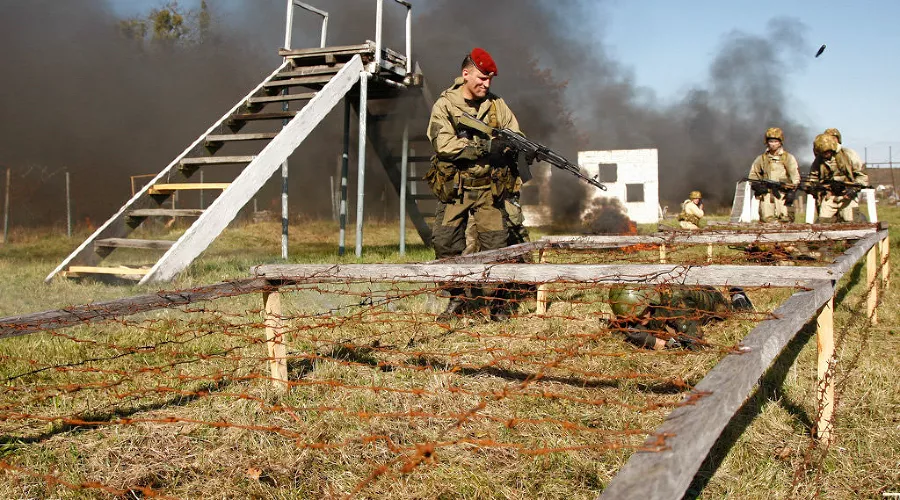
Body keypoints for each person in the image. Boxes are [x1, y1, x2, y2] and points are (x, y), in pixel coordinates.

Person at [426, 47, 521, 321]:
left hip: (488, 189)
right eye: (481, 77)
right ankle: (456, 301)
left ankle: (497, 304)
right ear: (465, 74)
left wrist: (511, 146)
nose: (486, 84)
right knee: (446, 245)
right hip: (456, 189)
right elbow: (443, 144)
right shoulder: (445, 105)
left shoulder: (496, 105)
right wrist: (483, 147)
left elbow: (515, 132)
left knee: (497, 246)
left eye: (490, 79)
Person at [607, 285, 754, 350]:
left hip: (710, 300)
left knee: (736, 312)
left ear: (649, 301)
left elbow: (696, 344)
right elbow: (620, 328)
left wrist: (666, 345)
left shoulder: (675, 305)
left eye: (639, 315)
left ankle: (738, 295)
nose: (635, 321)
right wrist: (653, 341)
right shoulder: (643, 302)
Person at [808, 133, 870, 223]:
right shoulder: (819, 160)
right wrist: (814, 187)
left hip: (847, 195)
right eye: (823, 153)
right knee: (822, 223)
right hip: (829, 195)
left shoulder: (848, 154)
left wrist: (853, 189)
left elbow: (862, 176)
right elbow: (813, 177)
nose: (825, 155)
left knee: (852, 221)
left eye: (827, 152)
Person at [748, 127, 801, 223]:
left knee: (785, 220)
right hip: (767, 196)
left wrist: (792, 191)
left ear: (780, 142)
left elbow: (795, 176)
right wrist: (757, 186)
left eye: (776, 141)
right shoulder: (761, 159)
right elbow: (753, 175)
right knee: (766, 221)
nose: (773, 144)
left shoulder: (787, 158)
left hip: (783, 195)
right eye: (771, 141)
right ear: (767, 142)